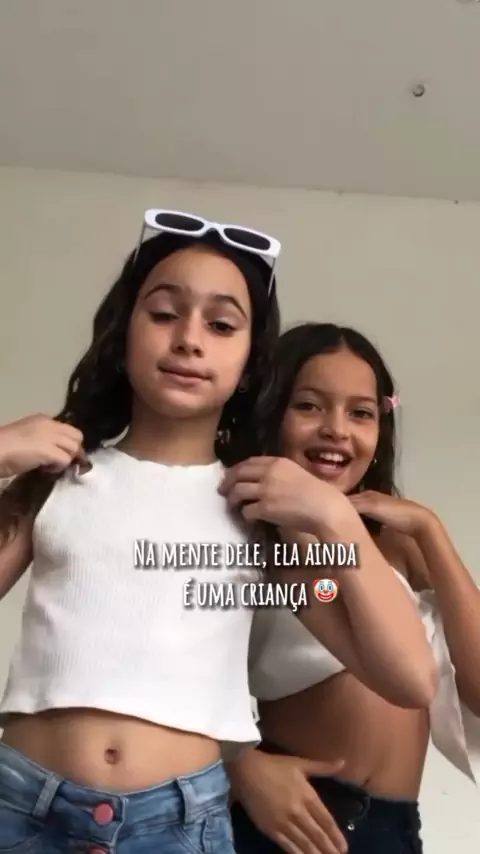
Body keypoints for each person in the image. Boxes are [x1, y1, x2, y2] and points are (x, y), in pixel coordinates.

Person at [0, 208, 436, 854]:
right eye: (164, 313)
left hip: (180, 828)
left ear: (252, 361)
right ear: (123, 334)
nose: (189, 339)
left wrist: (335, 516)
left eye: (222, 324)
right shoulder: (56, 477)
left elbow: (410, 678)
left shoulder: (258, 516)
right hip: (23, 810)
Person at [228, 322, 480, 854]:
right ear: (270, 412)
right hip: (290, 819)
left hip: (394, 829)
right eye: (309, 406)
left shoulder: (396, 539)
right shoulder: (244, 531)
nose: (337, 430)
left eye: (361, 413)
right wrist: (239, 765)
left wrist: (431, 531)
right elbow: (164, 677)